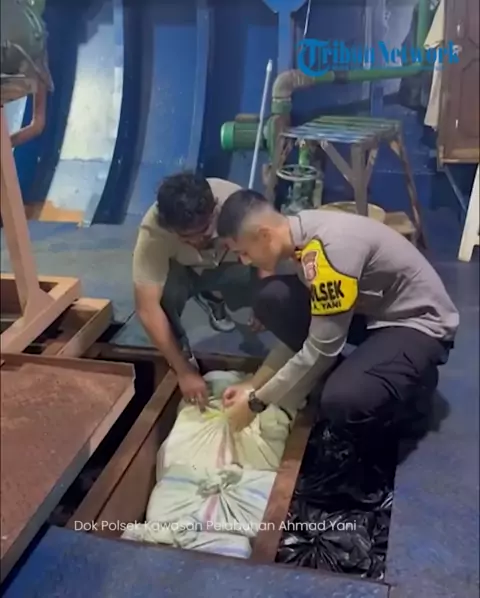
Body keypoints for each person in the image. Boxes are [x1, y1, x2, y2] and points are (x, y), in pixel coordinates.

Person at [216, 189, 459, 433]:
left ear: (264, 235)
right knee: (272, 297)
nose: (245, 261)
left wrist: (256, 403)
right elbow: (309, 335)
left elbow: (320, 350)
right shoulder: (298, 232)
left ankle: (411, 386)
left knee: (341, 399)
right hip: (372, 309)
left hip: (415, 323)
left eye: (243, 252)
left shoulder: (329, 252)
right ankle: (365, 371)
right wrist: (253, 385)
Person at [132, 173, 262, 408]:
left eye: (204, 232)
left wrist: (264, 304)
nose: (197, 241)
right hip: (186, 271)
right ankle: (182, 352)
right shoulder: (154, 231)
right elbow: (147, 308)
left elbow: (268, 254)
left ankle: (215, 296)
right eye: (186, 238)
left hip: (230, 264)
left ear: (214, 210)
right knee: (163, 296)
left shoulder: (237, 206)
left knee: (268, 285)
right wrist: (183, 370)